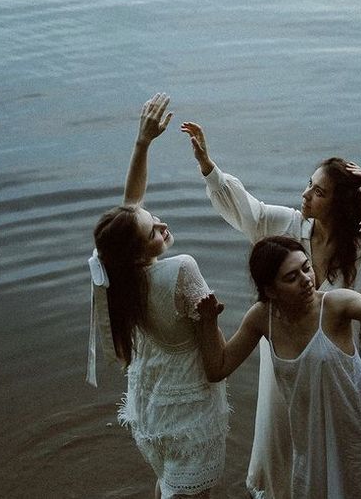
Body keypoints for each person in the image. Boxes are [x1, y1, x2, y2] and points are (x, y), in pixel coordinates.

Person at [181, 121, 361, 499]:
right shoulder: (291, 228)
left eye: (319, 191)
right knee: (282, 455)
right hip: (286, 376)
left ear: (339, 204)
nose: (306, 194)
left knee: (340, 467)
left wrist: (358, 378)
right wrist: (208, 166)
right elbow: (251, 214)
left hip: (338, 376)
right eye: (309, 184)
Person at [196, 220, 361, 499]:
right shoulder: (261, 317)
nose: (307, 280)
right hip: (309, 436)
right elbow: (218, 368)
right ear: (270, 290)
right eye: (291, 277)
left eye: (306, 267)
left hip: (356, 428)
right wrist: (207, 323)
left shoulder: (336, 305)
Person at [87, 95, 229, 499]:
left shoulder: (114, 272)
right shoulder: (181, 269)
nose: (163, 225)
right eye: (154, 230)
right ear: (138, 250)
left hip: (150, 407)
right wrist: (254, 320)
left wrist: (142, 142)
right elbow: (216, 363)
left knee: (168, 484)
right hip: (187, 415)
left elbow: (131, 209)